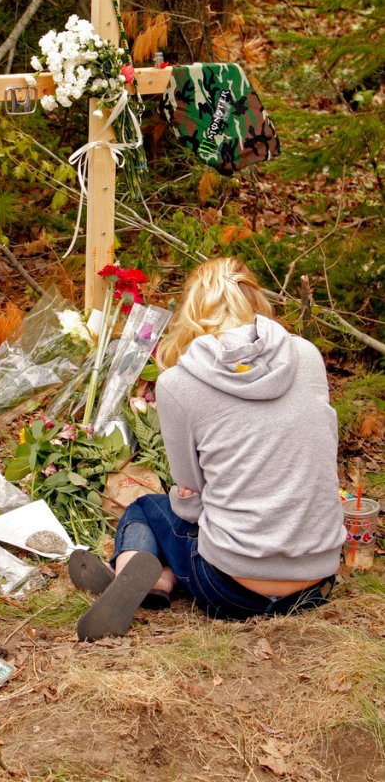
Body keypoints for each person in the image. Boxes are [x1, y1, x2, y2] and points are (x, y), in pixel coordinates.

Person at [70, 256, 345, 641]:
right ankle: (161, 577)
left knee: (147, 509)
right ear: (256, 301)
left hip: (231, 591)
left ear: (191, 310)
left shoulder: (178, 383)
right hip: (316, 585)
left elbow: (190, 492)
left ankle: (137, 570)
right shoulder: (307, 357)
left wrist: (195, 502)